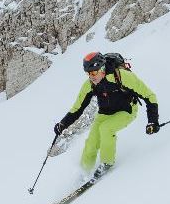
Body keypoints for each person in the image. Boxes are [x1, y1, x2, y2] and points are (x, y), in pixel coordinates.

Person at [53, 51, 159, 179]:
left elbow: (149, 96)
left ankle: (107, 163)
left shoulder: (121, 76)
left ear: (102, 69)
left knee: (106, 128)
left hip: (126, 110)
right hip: (104, 113)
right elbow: (77, 108)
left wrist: (153, 121)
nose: (91, 77)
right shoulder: (90, 84)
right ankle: (83, 172)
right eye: (88, 73)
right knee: (91, 142)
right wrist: (63, 124)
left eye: (93, 73)